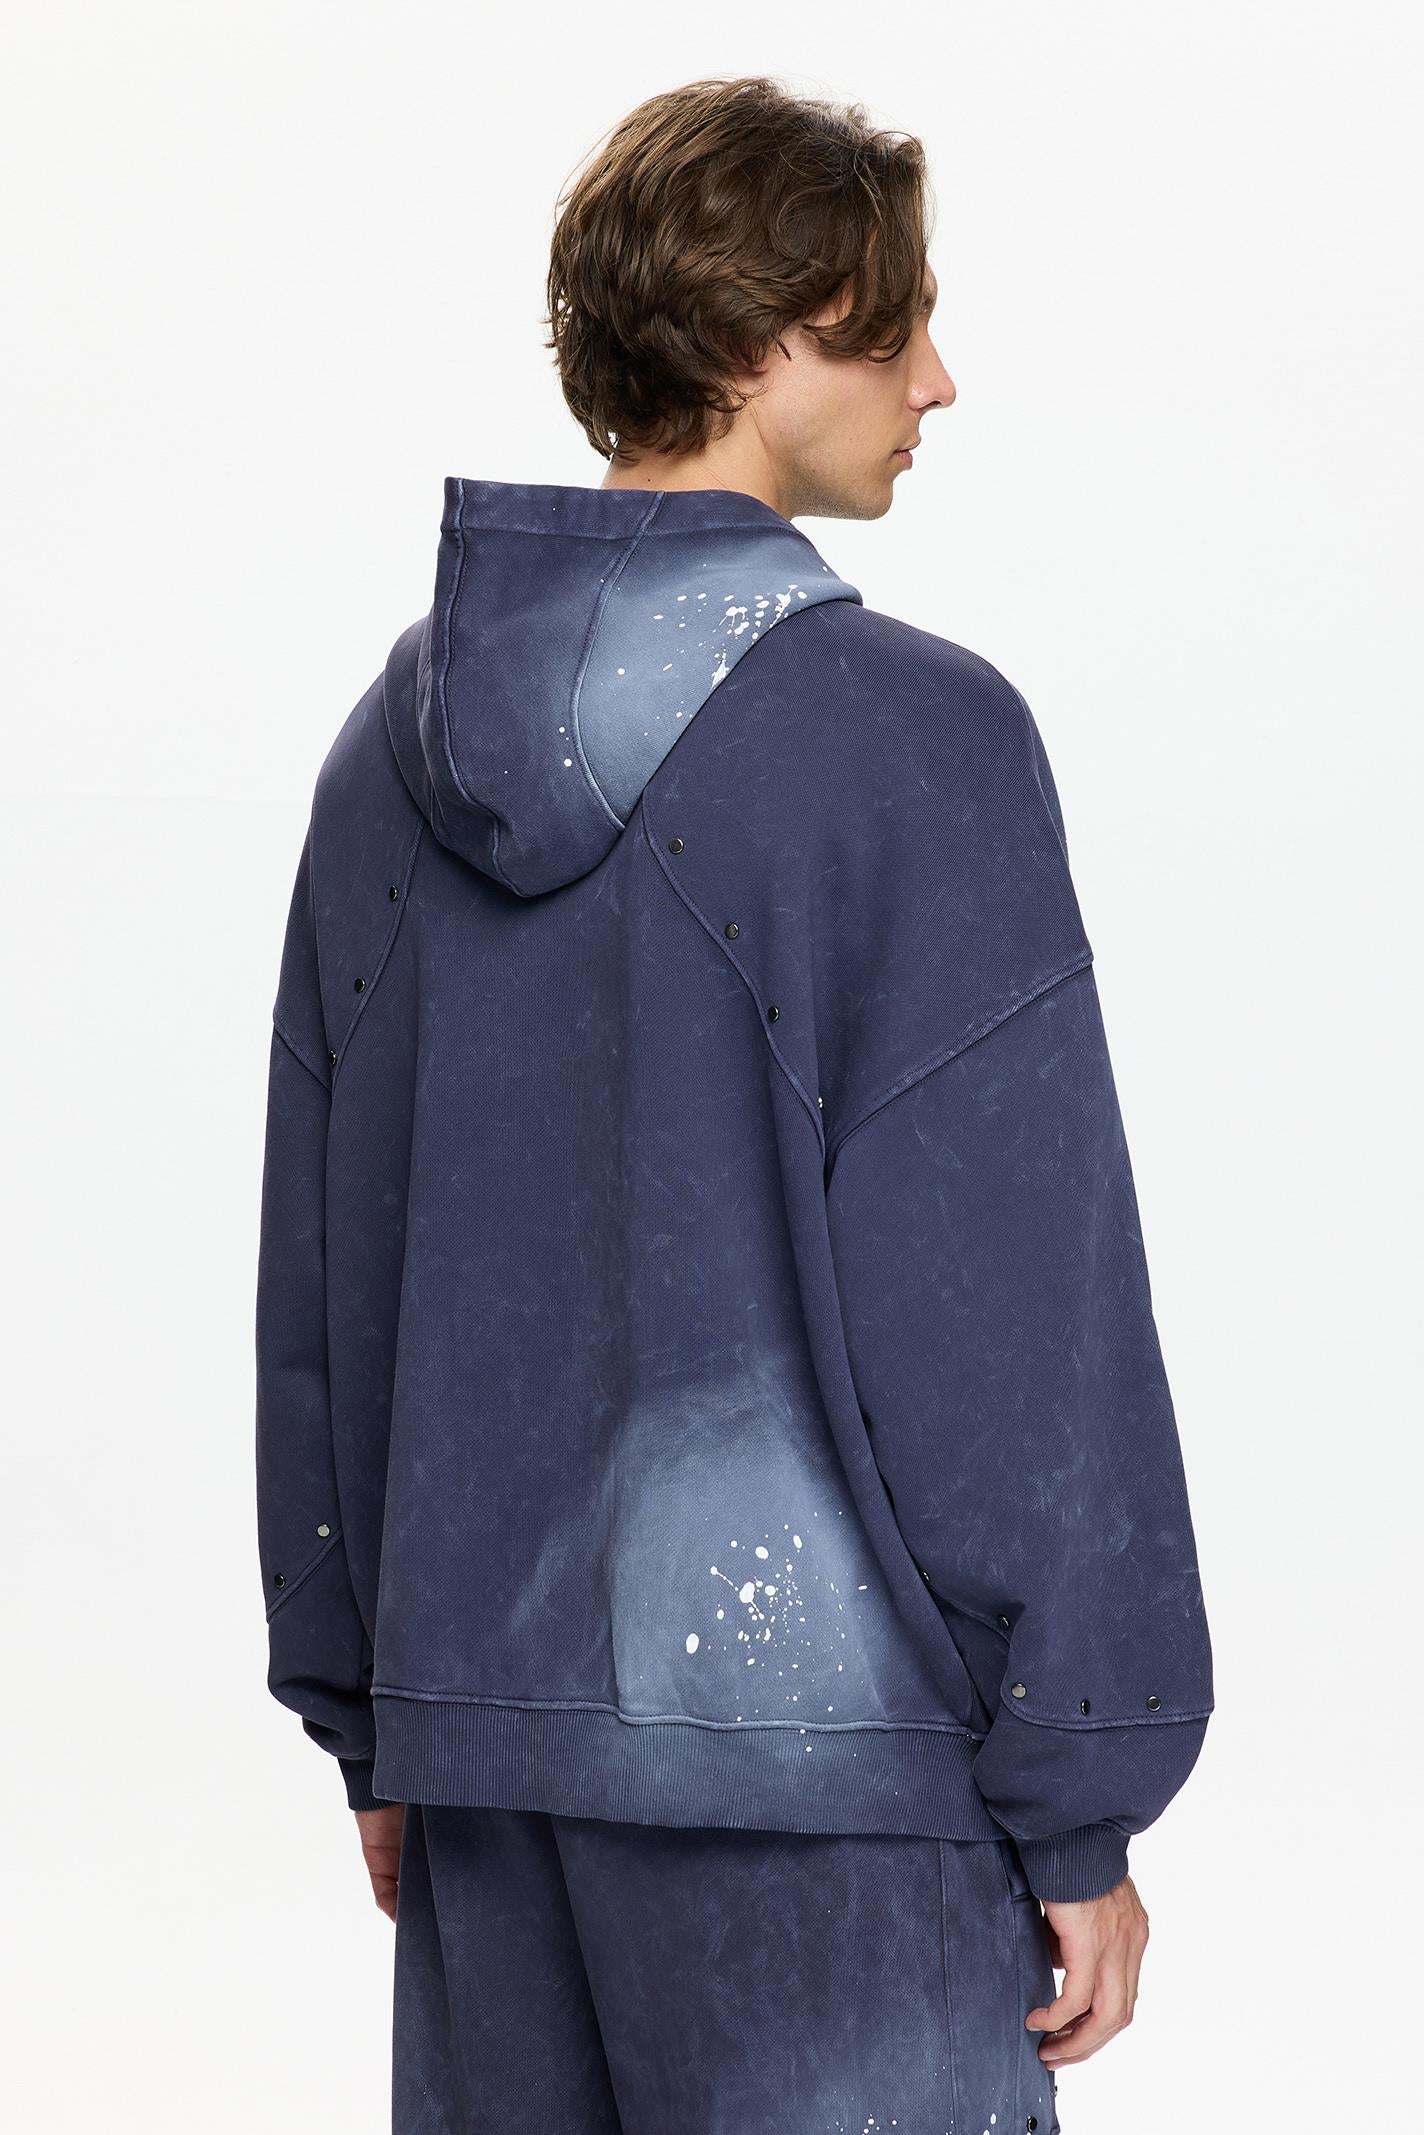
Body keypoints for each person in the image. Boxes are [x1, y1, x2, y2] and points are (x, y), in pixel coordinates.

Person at [254, 74, 1214, 2135]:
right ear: (765, 338)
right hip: (830, 1801)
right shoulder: (914, 743)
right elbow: (1011, 1319)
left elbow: (326, 1282)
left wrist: (386, 1715)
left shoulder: (381, 761)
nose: (937, 381)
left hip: (485, 1771)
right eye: (899, 322)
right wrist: (1080, 1791)